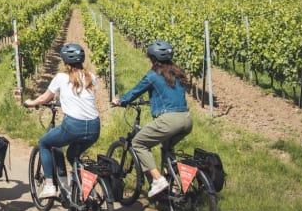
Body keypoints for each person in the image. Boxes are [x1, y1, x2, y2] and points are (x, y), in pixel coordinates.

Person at [112, 39, 193, 199]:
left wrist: (120, 101)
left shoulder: (152, 75)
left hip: (169, 120)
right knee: (167, 148)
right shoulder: (177, 73)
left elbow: (135, 91)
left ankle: (158, 180)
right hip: (187, 119)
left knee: (138, 143)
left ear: (153, 59)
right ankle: (173, 185)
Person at [24, 42, 100, 200]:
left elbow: (45, 97)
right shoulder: (91, 77)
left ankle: (50, 184)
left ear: (65, 61)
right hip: (94, 127)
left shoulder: (60, 77)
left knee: (44, 143)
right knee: (73, 155)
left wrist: (31, 103)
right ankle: (87, 189)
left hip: (73, 126)